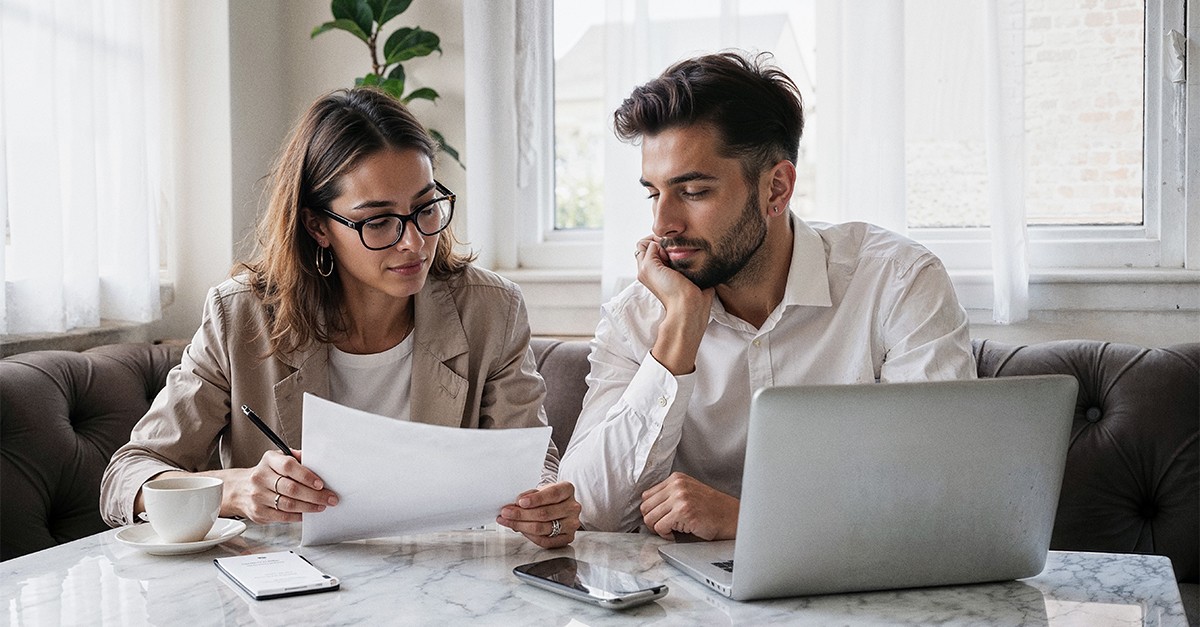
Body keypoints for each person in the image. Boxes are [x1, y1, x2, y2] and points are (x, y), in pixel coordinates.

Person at [100, 87, 580, 548]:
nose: (414, 242)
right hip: (289, 589)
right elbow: (129, 474)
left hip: (444, 583)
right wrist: (238, 489)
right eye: (378, 220)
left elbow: (533, 461)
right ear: (317, 226)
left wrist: (545, 506)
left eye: (425, 208)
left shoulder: (489, 310)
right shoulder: (241, 316)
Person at [558, 51, 975, 541]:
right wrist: (679, 333)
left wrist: (748, 519)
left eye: (692, 191)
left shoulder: (898, 283)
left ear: (776, 187)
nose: (662, 224)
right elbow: (590, 508)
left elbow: (941, 493)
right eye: (654, 192)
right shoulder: (640, 315)